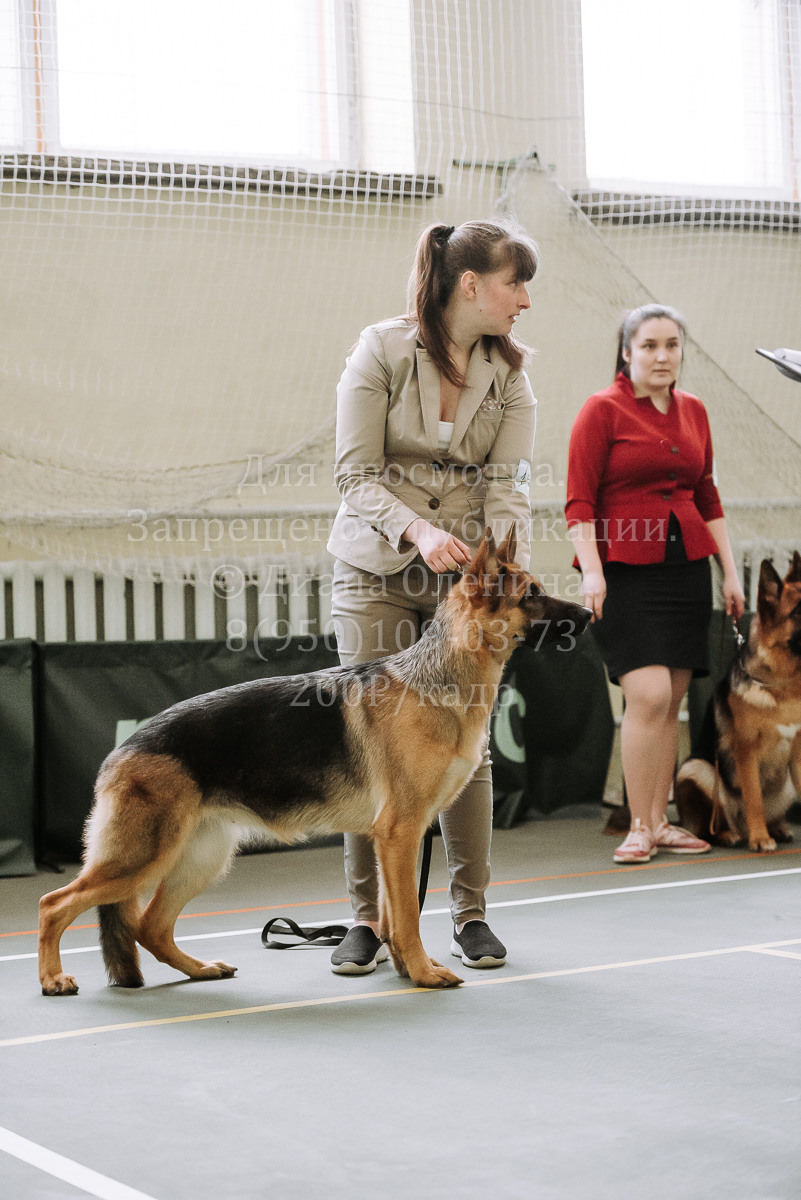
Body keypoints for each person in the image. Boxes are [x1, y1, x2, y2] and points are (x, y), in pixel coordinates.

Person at [326, 218, 538, 973]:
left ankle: (470, 915)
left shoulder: (510, 378)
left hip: (464, 585)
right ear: (471, 284)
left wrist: (497, 559)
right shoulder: (379, 349)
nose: (523, 300)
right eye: (516, 283)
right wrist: (418, 534)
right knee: (371, 750)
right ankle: (368, 920)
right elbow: (354, 474)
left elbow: (507, 487)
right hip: (374, 569)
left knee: (464, 748)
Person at [565, 303, 745, 864]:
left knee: (670, 703)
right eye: (649, 346)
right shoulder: (601, 410)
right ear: (627, 351)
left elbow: (707, 496)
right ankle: (639, 825)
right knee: (645, 695)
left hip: (687, 569)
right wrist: (592, 571)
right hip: (624, 573)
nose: (663, 356)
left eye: (672, 345)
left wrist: (730, 573)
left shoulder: (694, 410)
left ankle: (658, 820)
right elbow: (578, 501)